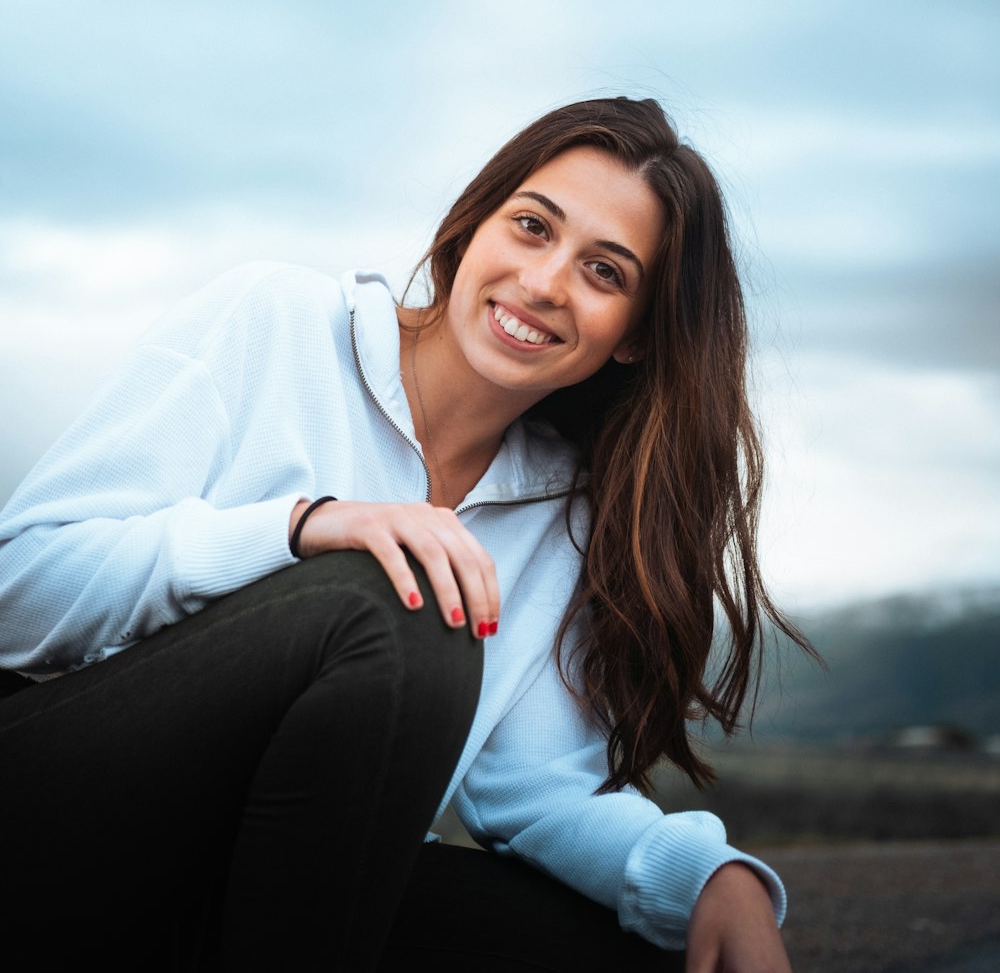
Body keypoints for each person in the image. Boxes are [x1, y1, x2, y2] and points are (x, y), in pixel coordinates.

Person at [0, 97, 805, 971]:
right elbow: (22, 591)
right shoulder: (274, 320)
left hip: (268, 884)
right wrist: (304, 530)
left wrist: (708, 877)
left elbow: (534, 793)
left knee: (635, 953)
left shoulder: (566, 511)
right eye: (532, 227)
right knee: (402, 597)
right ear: (472, 227)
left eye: (604, 273)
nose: (544, 283)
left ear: (637, 338)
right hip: (54, 831)